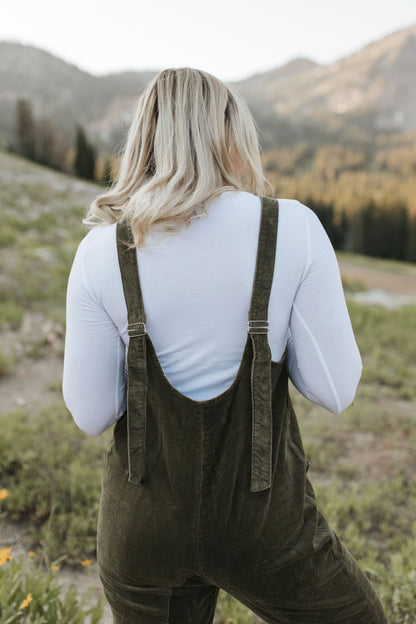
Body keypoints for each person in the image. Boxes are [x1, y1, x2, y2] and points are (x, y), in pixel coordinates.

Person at [63, 68, 387, 624]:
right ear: (231, 135)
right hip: (265, 527)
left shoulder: (100, 251)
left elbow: (91, 415)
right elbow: (336, 390)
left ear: (145, 136)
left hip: (141, 532)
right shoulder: (292, 227)